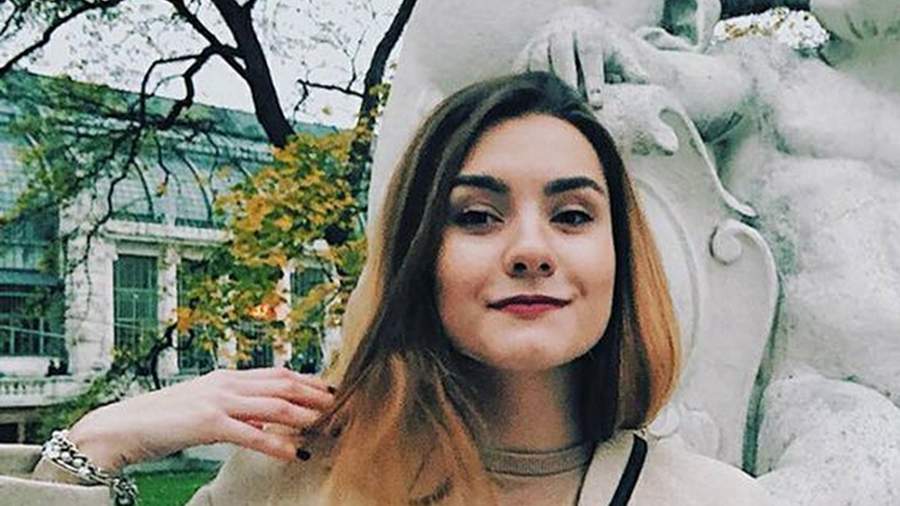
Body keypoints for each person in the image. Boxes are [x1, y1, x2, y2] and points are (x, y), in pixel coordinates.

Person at [0, 72, 780, 505]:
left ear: (620, 257)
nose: (531, 251)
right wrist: (96, 444)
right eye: (477, 217)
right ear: (417, 256)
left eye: (572, 215)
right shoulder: (289, 483)